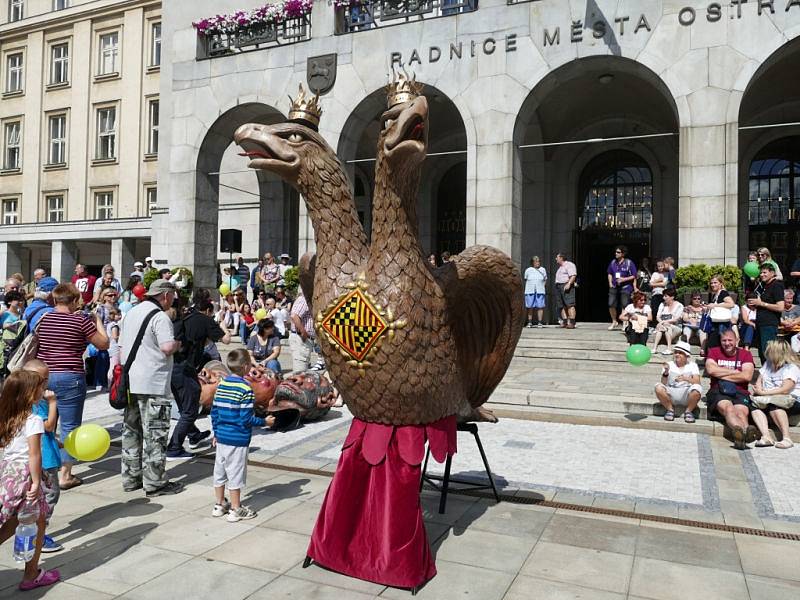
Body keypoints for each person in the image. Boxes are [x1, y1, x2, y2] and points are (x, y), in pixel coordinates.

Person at [37, 283, 108, 489]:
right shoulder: (79, 321)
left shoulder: (44, 319)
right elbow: (103, 343)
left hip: (44, 376)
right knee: (70, 427)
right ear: (75, 300)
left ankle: (45, 470)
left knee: (45, 424)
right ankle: (65, 475)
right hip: (70, 377)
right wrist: (98, 321)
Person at [120, 279, 183, 496]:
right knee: (155, 433)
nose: (174, 300)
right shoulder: (160, 317)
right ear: (165, 295)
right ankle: (155, 482)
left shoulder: (132, 312)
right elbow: (166, 347)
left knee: (131, 431)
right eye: (173, 296)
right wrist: (178, 345)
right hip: (153, 383)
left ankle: (131, 478)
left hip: (130, 382)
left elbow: (120, 347)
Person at [0, 370, 61, 591]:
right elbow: (34, 454)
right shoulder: (33, 419)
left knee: (14, 519)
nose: (43, 391)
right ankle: (31, 574)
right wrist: (36, 482)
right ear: (29, 394)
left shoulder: (6, 416)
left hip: (9, 473)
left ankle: (32, 571)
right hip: (27, 475)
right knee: (38, 521)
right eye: (39, 388)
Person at [167, 296, 230, 460]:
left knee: (183, 405)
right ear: (209, 311)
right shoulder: (206, 320)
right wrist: (222, 321)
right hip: (185, 370)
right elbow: (227, 340)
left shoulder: (185, 317)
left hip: (172, 368)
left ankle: (194, 434)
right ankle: (174, 448)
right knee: (190, 410)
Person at [210, 348, 264, 522]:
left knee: (220, 471)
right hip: (238, 439)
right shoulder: (245, 388)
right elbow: (245, 419)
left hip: (222, 438)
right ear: (247, 366)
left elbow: (215, 412)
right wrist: (265, 422)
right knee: (236, 474)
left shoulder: (222, 385)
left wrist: (216, 433)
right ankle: (236, 509)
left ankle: (219, 505)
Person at [23, 360, 63, 553]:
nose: (47, 383)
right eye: (44, 379)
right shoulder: (37, 401)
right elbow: (47, 426)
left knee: (36, 496)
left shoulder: (22, 400)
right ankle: (40, 534)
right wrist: (53, 403)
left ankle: (33, 530)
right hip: (44, 457)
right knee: (50, 494)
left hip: (39, 453)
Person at [705, 329, 757, 450]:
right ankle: (743, 433)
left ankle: (740, 437)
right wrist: (735, 372)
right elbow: (711, 370)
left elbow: (747, 376)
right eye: (724, 340)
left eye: (730, 340)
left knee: (742, 412)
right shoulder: (714, 352)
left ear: (737, 341)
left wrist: (721, 372)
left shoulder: (745, 354)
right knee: (728, 407)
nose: (727, 343)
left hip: (740, 391)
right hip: (719, 390)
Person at [749, 340, 799, 449]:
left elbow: (785, 389)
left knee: (774, 406)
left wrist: (763, 393)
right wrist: (759, 390)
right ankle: (766, 436)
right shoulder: (768, 363)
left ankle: (787, 438)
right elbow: (759, 381)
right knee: (753, 406)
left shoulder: (791, 368)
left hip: (791, 399)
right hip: (769, 397)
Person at [654, 341, 702, 423]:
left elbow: (697, 382)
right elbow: (663, 383)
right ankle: (670, 410)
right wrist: (666, 372)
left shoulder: (692, 365)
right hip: (671, 392)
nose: (677, 355)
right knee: (658, 387)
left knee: (697, 388)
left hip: (686, 394)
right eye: (676, 352)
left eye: (680, 353)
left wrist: (686, 378)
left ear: (686, 355)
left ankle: (688, 411)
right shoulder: (669, 364)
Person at [747, 263, 785, 362]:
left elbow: (780, 307)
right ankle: (765, 375)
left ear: (772, 273)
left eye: (765, 272)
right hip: (760, 323)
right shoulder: (765, 286)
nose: (762, 275)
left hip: (769, 324)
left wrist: (761, 303)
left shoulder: (777, 285)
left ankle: (772, 375)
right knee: (762, 352)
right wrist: (755, 304)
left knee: (768, 352)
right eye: (761, 273)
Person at [607, 246, 637, 330]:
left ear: (623, 254)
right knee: (611, 303)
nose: (616, 253)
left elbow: (634, 275)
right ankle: (614, 321)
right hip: (614, 285)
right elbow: (609, 273)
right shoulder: (613, 262)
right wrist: (610, 282)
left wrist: (624, 279)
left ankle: (625, 323)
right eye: (616, 252)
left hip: (626, 286)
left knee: (624, 304)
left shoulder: (629, 263)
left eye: (618, 252)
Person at [705, 275, 736, 350]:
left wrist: (715, 305)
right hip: (715, 323)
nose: (713, 285)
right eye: (711, 283)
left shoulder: (723, 293)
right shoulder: (715, 294)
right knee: (713, 345)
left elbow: (731, 304)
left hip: (721, 324)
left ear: (721, 283)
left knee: (717, 345)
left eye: (715, 282)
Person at [290, 288, 316, 372]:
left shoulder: (305, 299)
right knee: (300, 372)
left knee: (302, 370)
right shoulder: (304, 299)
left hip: (304, 339)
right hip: (301, 338)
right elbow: (294, 316)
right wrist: (303, 332)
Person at [651, 289, 684, 355]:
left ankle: (669, 349)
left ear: (672, 297)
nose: (663, 298)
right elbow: (658, 317)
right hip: (663, 326)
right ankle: (654, 348)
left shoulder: (679, 305)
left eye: (666, 296)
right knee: (662, 328)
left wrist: (664, 322)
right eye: (663, 296)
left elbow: (675, 319)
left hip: (675, 327)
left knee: (667, 326)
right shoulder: (662, 304)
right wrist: (662, 322)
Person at [554, 253, 577, 329]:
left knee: (570, 304)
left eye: (557, 257)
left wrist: (569, 284)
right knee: (561, 305)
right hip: (559, 286)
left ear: (561, 258)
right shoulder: (560, 267)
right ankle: (564, 322)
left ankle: (572, 323)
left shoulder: (569, 265)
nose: (556, 259)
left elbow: (573, 275)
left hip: (566, 285)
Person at [523, 256, 547, 328]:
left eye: (538, 261)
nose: (537, 263)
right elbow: (525, 279)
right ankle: (529, 322)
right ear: (532, 263)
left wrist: (543, 286)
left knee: (540, 306)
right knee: (530, 306)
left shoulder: (543, 269)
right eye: (536, 261)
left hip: (540, 290)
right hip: (530, 290)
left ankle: (540, 322)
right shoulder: (528, 270)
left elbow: (545, 279)